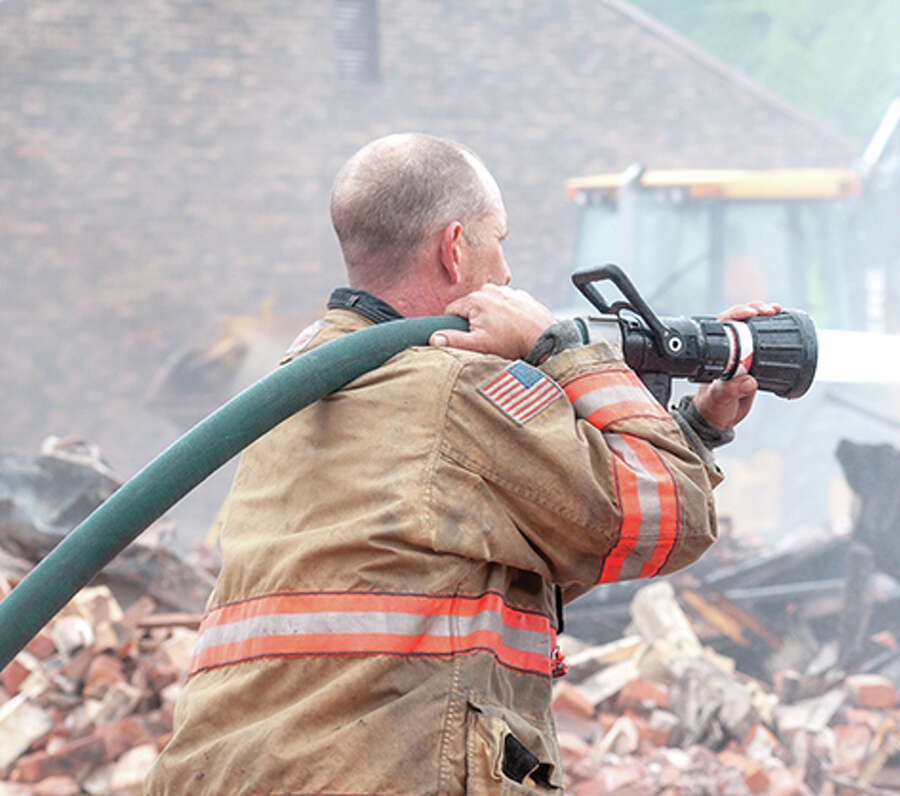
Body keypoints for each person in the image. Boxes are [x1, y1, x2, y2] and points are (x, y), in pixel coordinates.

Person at [144, 133, 780, 795]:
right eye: (497, 239)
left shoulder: (299, 386)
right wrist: (560, 350)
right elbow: (670, 517)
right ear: (455, 249)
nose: (506, 274)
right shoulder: (457, 389)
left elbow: (477, 571)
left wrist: (696, 427)